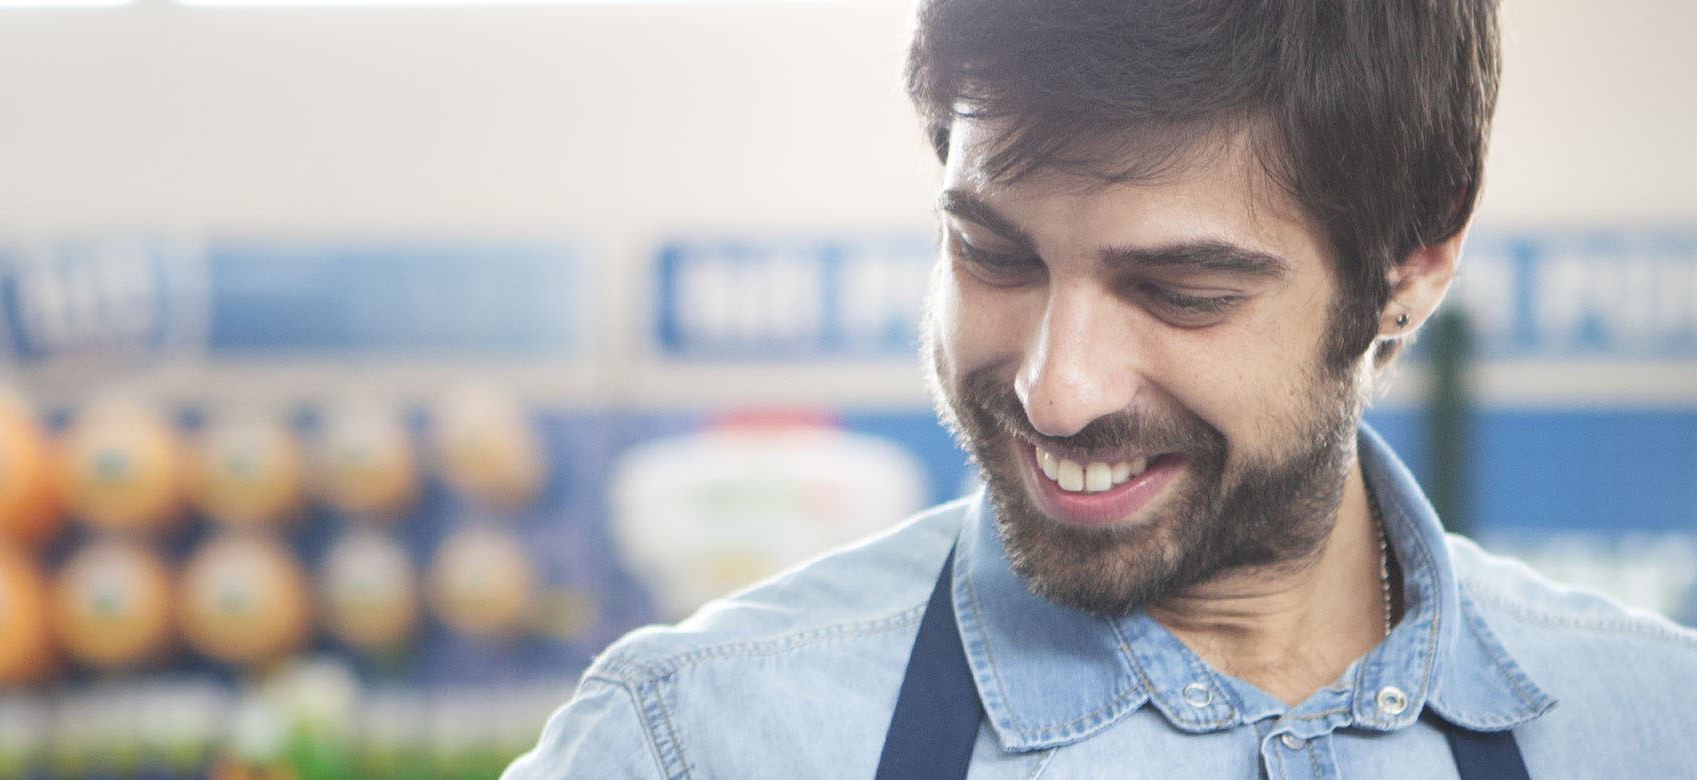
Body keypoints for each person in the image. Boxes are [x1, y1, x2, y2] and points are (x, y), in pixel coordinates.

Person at [506, 0, 1697, 777]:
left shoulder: (1657, 728)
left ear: (1417, 260)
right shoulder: (690, 743)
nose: (1057, 392)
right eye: (993, 255)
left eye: (1180, 290)